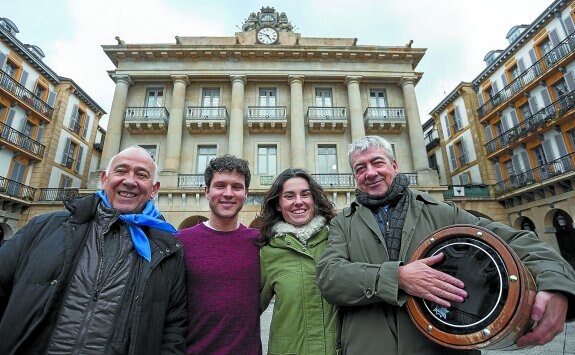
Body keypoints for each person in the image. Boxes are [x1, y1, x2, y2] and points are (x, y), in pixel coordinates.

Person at [316, 135, 575, 355]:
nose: (370, 173)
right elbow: (330, 277)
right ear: (354, 177)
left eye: (377, 163)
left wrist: (557, 285)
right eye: (360, 168)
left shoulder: (444, 212)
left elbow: (517, 241)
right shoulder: (342, 223)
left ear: (394, 166)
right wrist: (399, 277)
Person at [0, 146, 187, 355]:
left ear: (154, 189)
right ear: (105, 178)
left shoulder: (168, 250)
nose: (130, 180)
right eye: (121, 171)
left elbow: (174, 327)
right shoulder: (44, 228)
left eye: (141, 175)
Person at [177, 154, 261, 354]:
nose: (228, 193)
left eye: (237, 187)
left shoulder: (259, 242)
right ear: (206, 191)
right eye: (220, 185)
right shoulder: (180, 241)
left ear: (246, 193)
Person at [258, 168, 339, 354]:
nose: (298, 202)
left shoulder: (338, 241)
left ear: (315, 200)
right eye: (289, 196)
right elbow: (248, 312)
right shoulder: (268, 252)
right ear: (278, 204)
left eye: (305, 194)